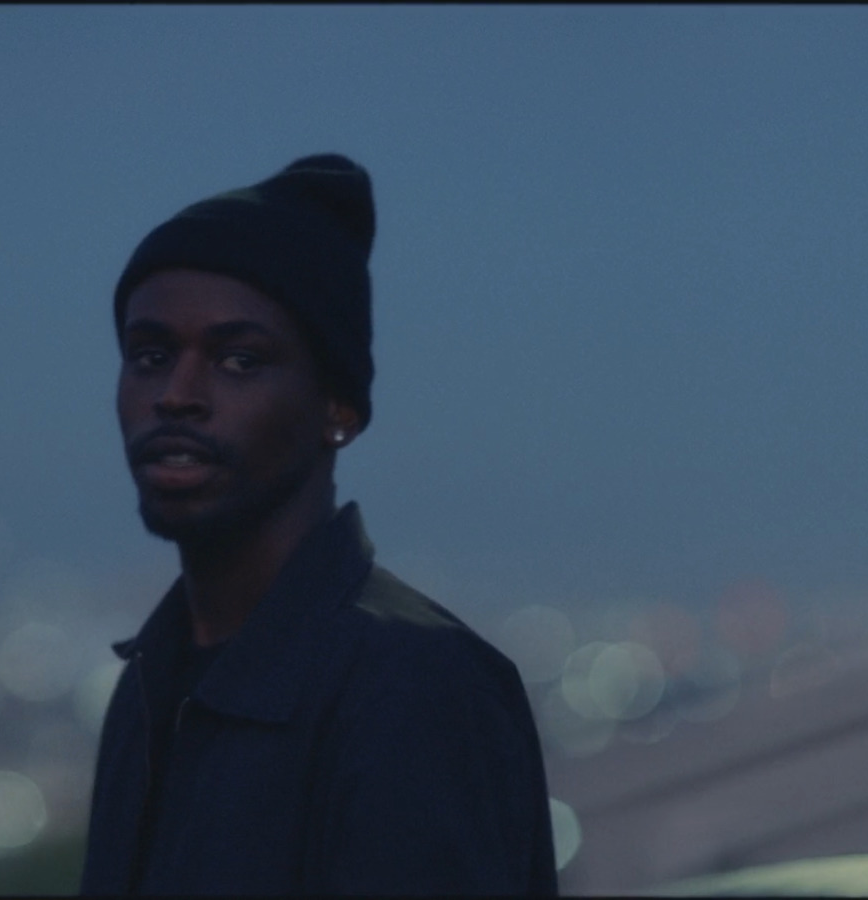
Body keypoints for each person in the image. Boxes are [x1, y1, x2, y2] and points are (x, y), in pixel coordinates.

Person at [80, 153, 558, 896]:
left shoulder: (414, 691)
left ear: (338, 409)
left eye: (239, 359)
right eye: (150, 354)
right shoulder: (150, 686)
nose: (176, 394)